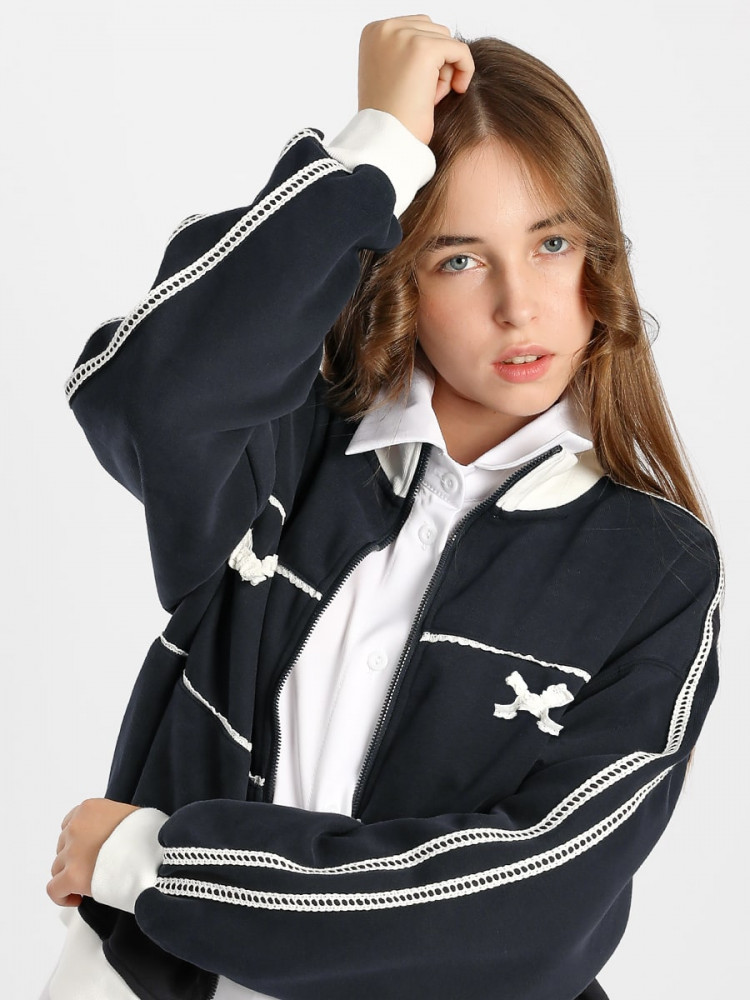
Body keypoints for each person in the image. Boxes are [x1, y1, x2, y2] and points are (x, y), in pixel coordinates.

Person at [43, 14, 721, 1000]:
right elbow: (147, 391)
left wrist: (158, 862)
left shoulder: (655, 567)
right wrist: (377, 151)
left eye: (552, 242)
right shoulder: (285, 450)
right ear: (401, 277)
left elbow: (531, 906)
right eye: (459, 258)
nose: (520, 306)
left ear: (600, 257)